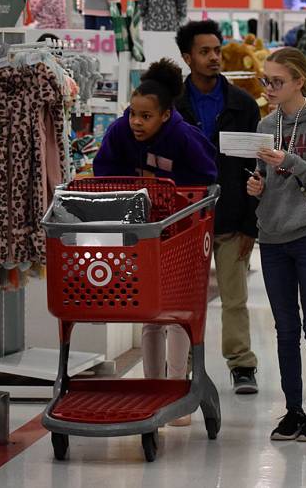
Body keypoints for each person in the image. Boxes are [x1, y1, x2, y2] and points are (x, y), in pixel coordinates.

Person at [93, 59, 217, 427]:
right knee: (148, 316)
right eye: (133, 114)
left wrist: (171, 197)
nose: (136, 122)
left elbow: (207, 180)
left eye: (146, 116)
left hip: (182, 237)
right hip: (140, 237)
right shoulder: (119, 132)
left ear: (165, 115)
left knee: (177, 317)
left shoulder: (185, 138)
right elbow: (103, 172)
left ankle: (177, 389)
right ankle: (152, 389)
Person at [246, 47, 306, 443]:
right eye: (265, 80)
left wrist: (290, 161)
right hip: (272, 237)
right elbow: (262, 175)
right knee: (285, 329)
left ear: (299, 81)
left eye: (277, 81)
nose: (268, 88)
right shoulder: (266, 123)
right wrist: (256, 185)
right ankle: (292, 410)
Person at [174, 20, 261, 395]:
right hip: (184, 219)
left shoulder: (242, 104)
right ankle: (181, 364)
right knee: (182, 299)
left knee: (235, 298)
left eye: (217, 50)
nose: (214, 57)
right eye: (204, 51)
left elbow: (255, 168)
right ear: (187, 57)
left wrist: (251, 225)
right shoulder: (172, 105)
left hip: (232, 215)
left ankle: (242, 365)